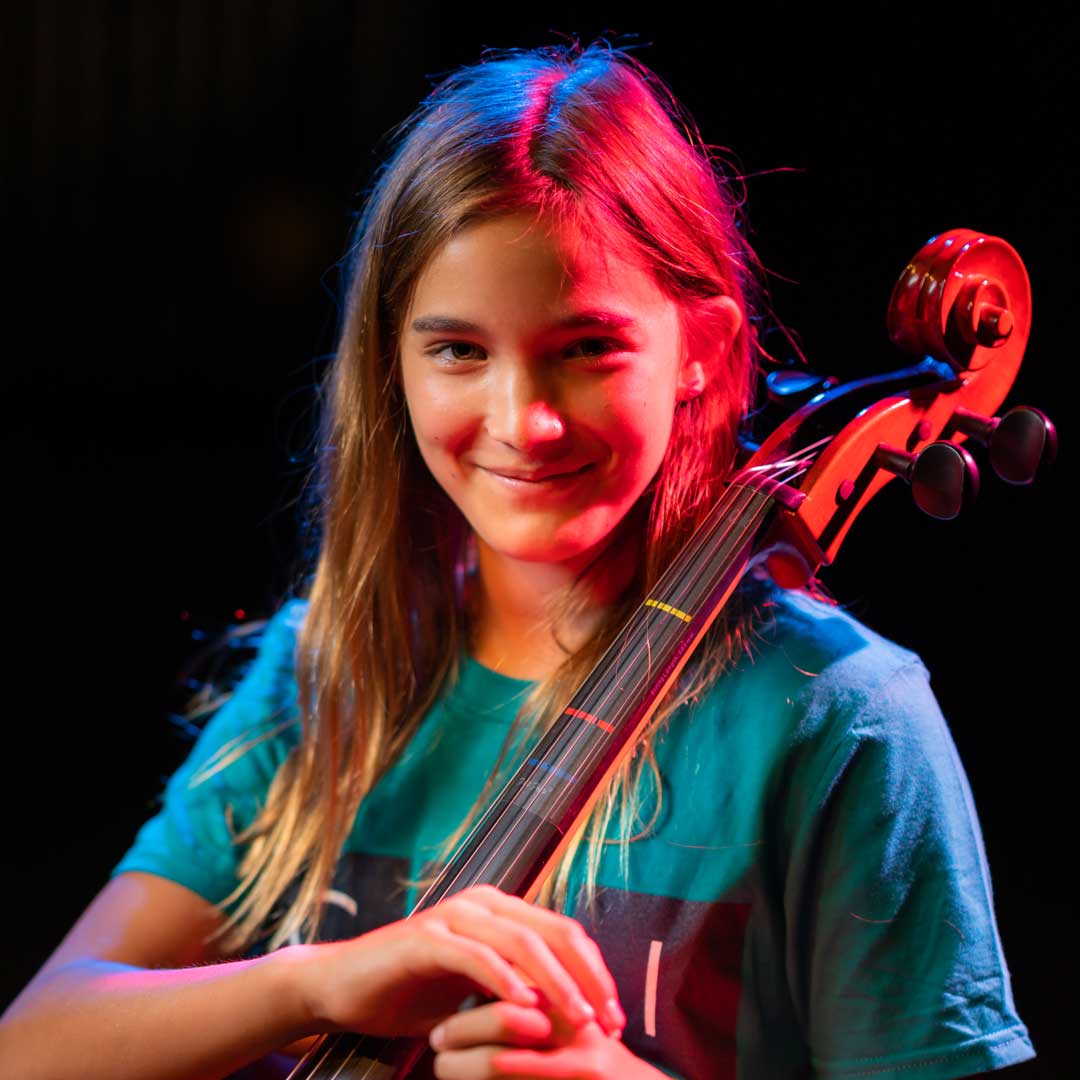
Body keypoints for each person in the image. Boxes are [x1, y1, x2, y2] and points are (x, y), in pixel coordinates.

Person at [0, 38, 1036, 1080]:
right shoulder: (333, 667)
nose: (522, 422)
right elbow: (33, 1047)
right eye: (458, 350)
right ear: (391, 362)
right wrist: (316, 982)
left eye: (586, 347)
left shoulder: (840, 718)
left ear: (705, 353)